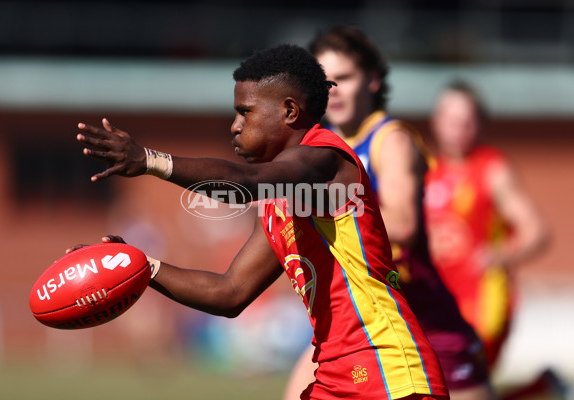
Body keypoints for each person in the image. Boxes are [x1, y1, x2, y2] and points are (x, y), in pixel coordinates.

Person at [72, 44, 448, 400]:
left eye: (245, 112)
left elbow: (245, 183)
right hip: (335, 378)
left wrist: (151, 161)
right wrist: (140, 266)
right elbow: (230, 292)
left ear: (289, 111)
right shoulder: (277, 202)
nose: (235, 126)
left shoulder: (325, 158)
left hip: (388, 370)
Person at [283, 27, 495, 400]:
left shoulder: (389, 140)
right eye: (323, 80)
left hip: (424, 322)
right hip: (360, 323)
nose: (333, 89)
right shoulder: (316, 147)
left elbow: (403, 224)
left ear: (373, 80)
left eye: (344, 78)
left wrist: (316, 206)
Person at [426, 81, 557, 399]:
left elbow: (537, 231)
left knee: (456, 390)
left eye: (468, 120)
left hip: (484, 305)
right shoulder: (426, 171)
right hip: (438, 303)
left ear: (480, 124)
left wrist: (500, 254)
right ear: (436, 122)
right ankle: (540, 388)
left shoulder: (491, 169)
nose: (460, 128)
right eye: (452, 119)